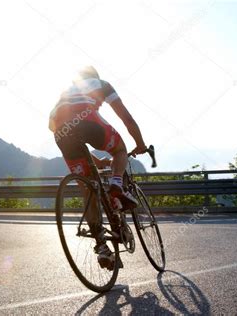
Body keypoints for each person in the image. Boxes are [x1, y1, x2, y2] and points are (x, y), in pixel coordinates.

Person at [49, 66, 147, 269]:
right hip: (88, 121)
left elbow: (54, 125)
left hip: (60, 131)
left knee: (88, 187)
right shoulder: (102, 84)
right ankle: (117, 183)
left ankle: (102, 246)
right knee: (120, 150)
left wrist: (95, 160)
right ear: (95, 77)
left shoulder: (66, 92)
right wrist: (140, 143)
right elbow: (126, 118)